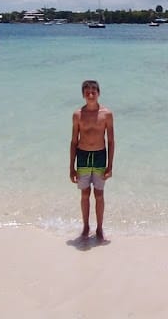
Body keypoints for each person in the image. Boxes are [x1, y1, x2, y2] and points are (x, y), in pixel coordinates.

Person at [70, 79, 114, 241]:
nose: (90, 95)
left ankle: (100, 228)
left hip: (100, 156)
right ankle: (86, 226)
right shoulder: (77, 115)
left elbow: (111, 141)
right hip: (82, 156)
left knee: (99, 194)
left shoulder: (106, 114)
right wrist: (71, 167)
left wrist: (110, 165)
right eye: (87, 92)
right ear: (83, 94)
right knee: (84, 194)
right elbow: (73, 141)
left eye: (93, 92)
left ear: (98, 93)